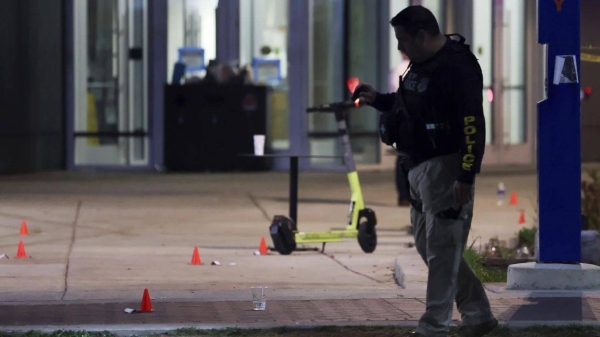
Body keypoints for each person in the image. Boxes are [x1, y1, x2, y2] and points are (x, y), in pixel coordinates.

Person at [353, 5, 497, 337]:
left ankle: (434, 326)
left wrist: (466, 173)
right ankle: (478, 315)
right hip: (417, 168)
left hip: (444, 168)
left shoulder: (457, 66)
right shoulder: (419, 66)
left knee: (443, 251)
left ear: (422, 35)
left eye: (403, 41)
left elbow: (473, 122)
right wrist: (378, 99)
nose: (401, 49)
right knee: (427, 245)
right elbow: (408, 106)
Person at [389, 53, 412, 207]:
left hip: (401, 116)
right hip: (407, 117)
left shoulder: (397, 70)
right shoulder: (403, 69)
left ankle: (404, 195)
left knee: (403, 157)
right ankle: (406, 194)